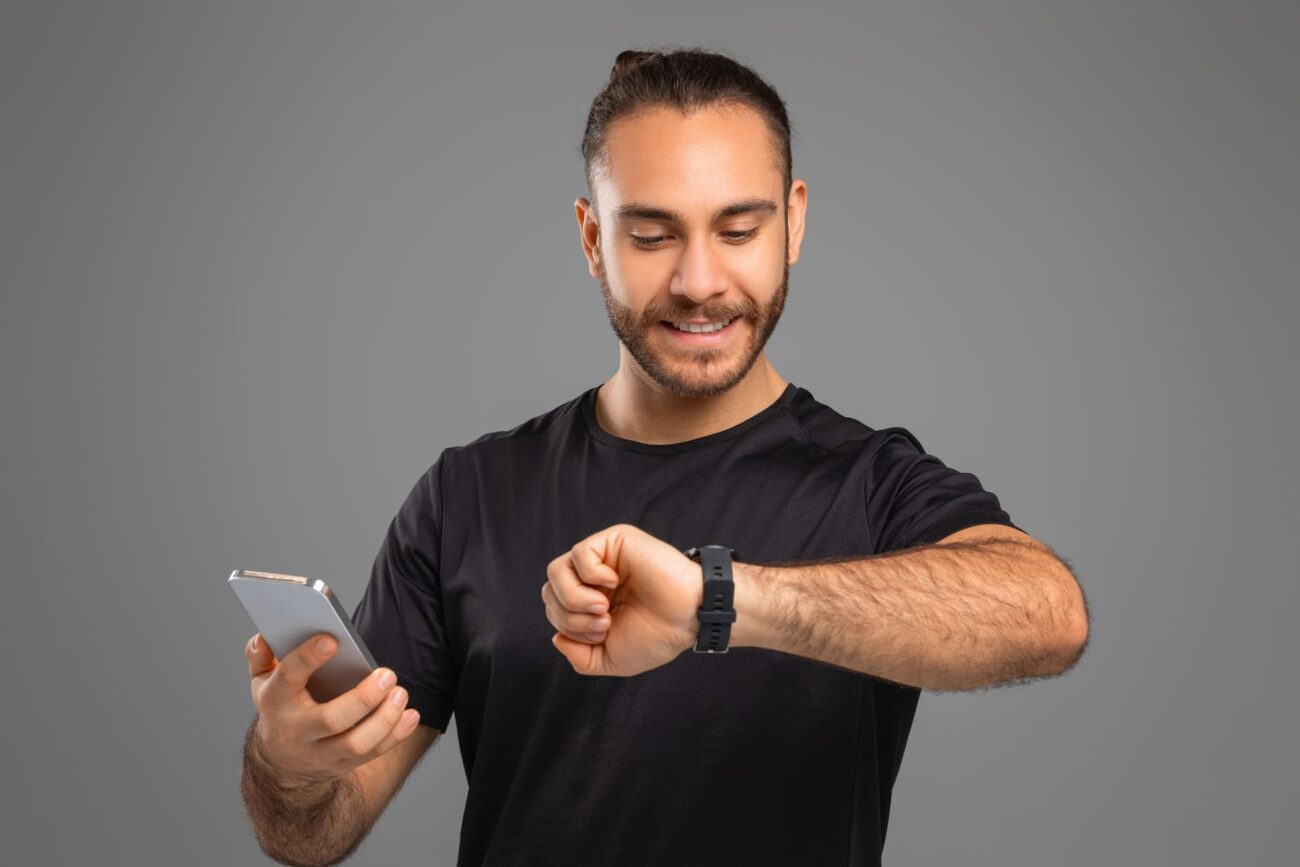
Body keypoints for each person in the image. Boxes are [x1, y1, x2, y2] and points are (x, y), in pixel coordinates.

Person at [240, 47, 1090, 867]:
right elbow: (311, 832)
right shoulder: (468, 494)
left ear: (792, 222)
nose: (698, 279)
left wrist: (718, 601)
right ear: (591, 238)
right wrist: (287, 763)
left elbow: (1048, 614)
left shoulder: (869, 484)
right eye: (651, 235)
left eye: (738, 228)